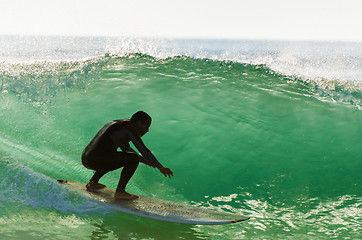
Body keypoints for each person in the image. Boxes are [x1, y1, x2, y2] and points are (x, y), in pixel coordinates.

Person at [81, 111, 173, 200]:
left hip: (87, 159)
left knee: (116, 156)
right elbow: (143, 149)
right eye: (147, 126)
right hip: (95, 159)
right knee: (133, 158)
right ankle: (120, 192)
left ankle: (93, 182)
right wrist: (160, 167)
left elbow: (126, 149)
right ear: (139, 123)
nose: (147, 130)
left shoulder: (122, 125)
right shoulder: (131, 129)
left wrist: (146, 161)